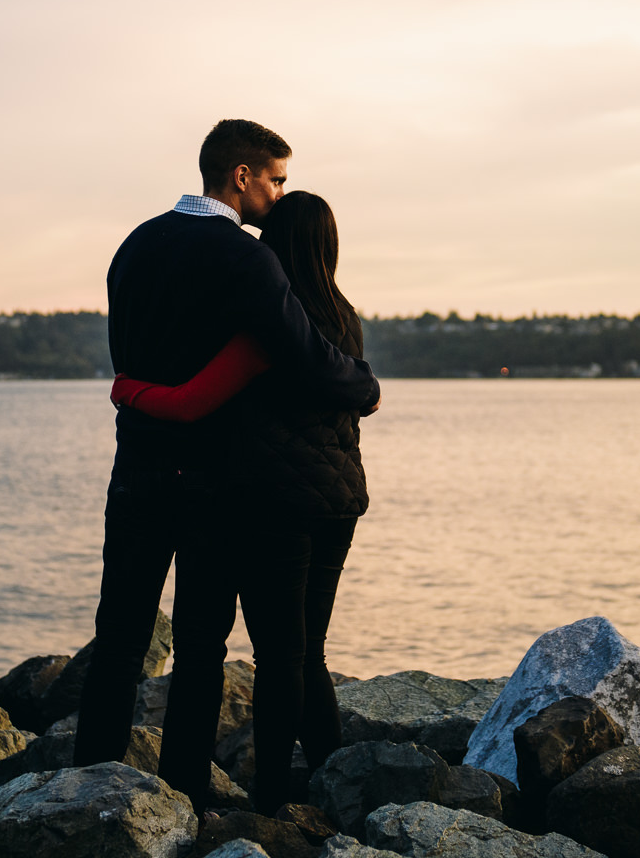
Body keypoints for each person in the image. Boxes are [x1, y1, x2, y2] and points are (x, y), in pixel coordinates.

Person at [73, 120, 381, 805]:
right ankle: (184, 789)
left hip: (135, 469)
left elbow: (129, 357)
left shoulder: (133, 246)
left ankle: (85, 782)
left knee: (119, 637)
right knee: (200, 647)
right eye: (275, 179)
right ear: (240, 176)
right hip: (211, 481)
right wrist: (365, 386)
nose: (278, 193)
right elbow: (303, 353)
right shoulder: (246, 260)